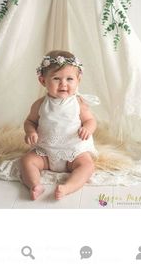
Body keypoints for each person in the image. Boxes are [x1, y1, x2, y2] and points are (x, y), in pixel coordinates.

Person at [20, 50, 98, 200]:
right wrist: (30, 132)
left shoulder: (78, 103)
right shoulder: (40, 104)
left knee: (87, 166)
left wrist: (87, 128)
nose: (63, 84)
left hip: (74, 152)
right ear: (43, 81)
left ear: (78, 80)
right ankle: (35, 185)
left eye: (69, 79)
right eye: (56, 78)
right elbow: (30, 121)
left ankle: (67, 187)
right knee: (27, 161)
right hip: (46, 152)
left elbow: (91, 120)